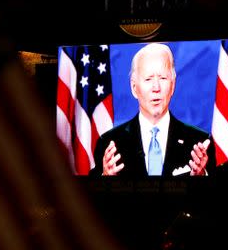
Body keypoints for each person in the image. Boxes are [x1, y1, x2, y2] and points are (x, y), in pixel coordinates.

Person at [89, 42, 214, 178]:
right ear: (134, 88)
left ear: (172, 85)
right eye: (148, 79)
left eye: (163, 78)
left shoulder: (199, 143)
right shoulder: (110, 144)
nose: (156, 88)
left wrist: (201, 176)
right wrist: (105, 178)